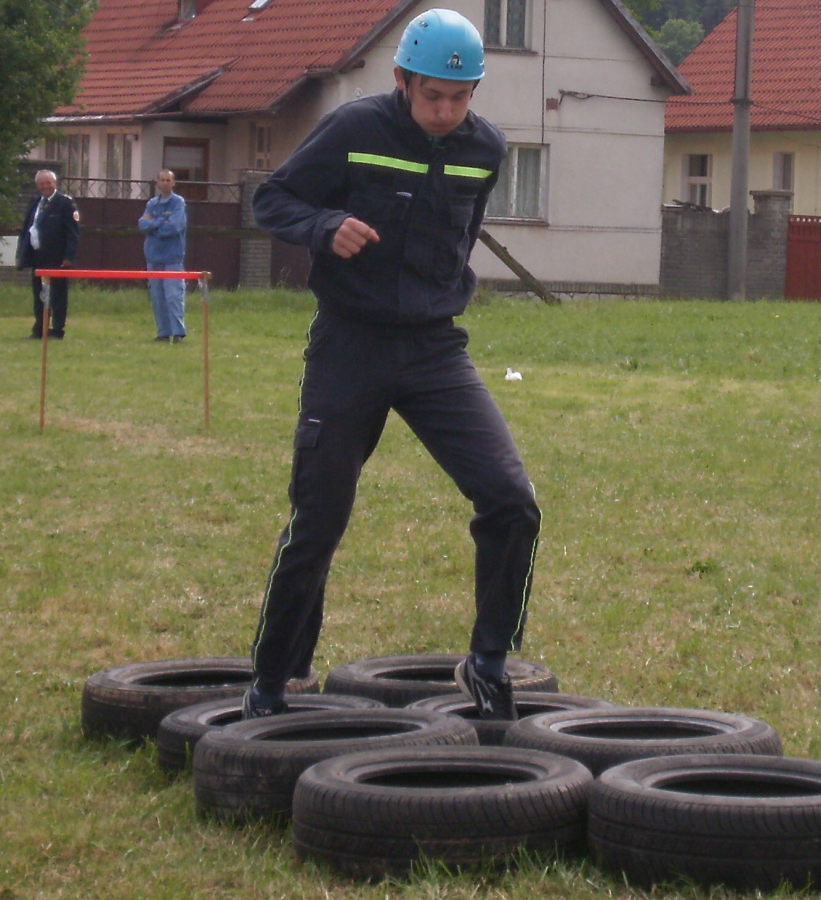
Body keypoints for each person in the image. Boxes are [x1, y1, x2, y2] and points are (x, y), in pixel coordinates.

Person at [244, 8, 540, 722]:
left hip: (435, 349)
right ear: (403, 80)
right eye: (432, 95)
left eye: (459, 97)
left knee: (512, 500)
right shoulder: (353, 129)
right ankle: (273, 683)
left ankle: (489, 661)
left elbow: (464, 234)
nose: (444, 111)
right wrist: (324, 226)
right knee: (319, 520)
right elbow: (271, 199)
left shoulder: (486, 150)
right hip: (350, 344)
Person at [16, 170, 80, 339]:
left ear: (55, 183)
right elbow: (27, 228)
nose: (45, 186)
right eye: (42, 184)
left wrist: (69, 258)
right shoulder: (35, 201)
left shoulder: (65, 203)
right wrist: (21, 254)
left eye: (48, 183)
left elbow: (73, 234)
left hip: (57, 258)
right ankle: (40, 328)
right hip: (38, 256)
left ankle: (57, 330)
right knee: (40, 295)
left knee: (58, 296)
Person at [138, 169, 188, 343]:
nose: (165, 183)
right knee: (157, 297)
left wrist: (154, 226)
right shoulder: (152, 204)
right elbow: (143, 224)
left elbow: (173, 227)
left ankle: (178, 334)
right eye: (162, 180)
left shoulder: (178, 203)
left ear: (174, 183)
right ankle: (163, 333)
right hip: (153, 257)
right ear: (157, 182)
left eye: (168, 180)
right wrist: (160, 222)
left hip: (172, 258)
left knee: (173, 296)